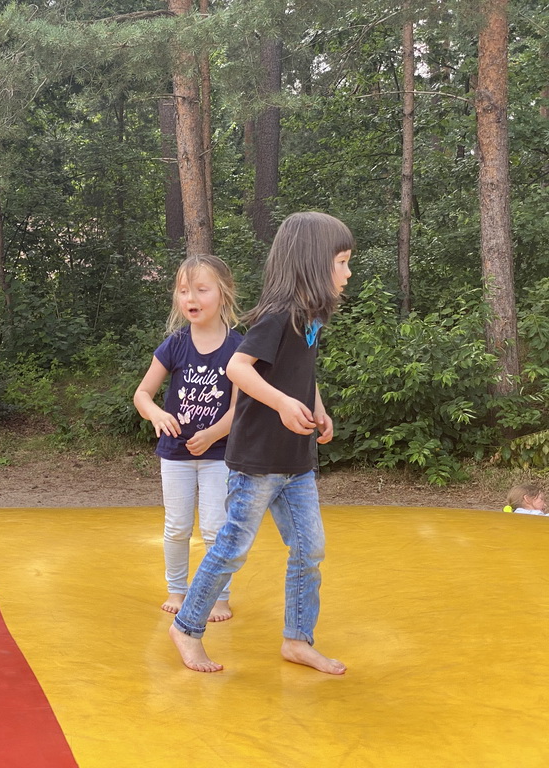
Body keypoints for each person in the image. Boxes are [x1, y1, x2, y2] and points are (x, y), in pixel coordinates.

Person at [168, 211, 354, 676]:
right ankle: (187, 628)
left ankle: (297, 639)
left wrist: (317, 406)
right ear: (314, 263)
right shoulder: (278, 316)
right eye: (343, 262)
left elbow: (300, 375)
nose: (348, 273)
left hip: (296, 461)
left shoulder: (311, 318)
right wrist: (282, 405)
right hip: (257, 461)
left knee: (310, 549)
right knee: (231, 547)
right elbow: (238, 368)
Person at [134, 254, 243, 619]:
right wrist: (157, 414)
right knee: (177, 527)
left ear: (223, 294)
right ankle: (178, 591)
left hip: (218, 455)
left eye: (201, 289)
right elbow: (142, 395)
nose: (191, 298)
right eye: (184, 291)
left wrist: (212, 434)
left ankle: (220, 595)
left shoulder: (238, 349)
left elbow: (238, 409)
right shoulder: (176, 344)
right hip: (175, 454)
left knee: (216, 529)